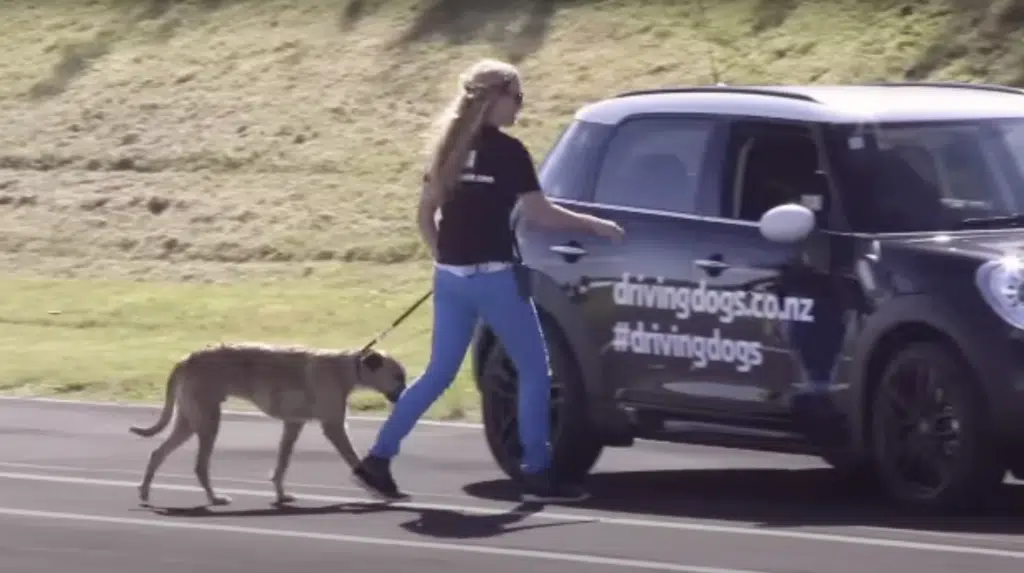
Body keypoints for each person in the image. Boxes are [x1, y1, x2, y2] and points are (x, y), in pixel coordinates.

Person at [350, 58, 624, 503]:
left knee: (437, 375)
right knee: (536, 371)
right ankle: (537, 473)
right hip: (496, 280)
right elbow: (540, 214)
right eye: (516, 98)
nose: (520, 107)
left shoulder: (447, 147)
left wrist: (444, 257)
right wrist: (595, 226)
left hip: (452, 280)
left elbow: (424, 215)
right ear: (495, 98)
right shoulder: (509, 152)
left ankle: (378, 459)